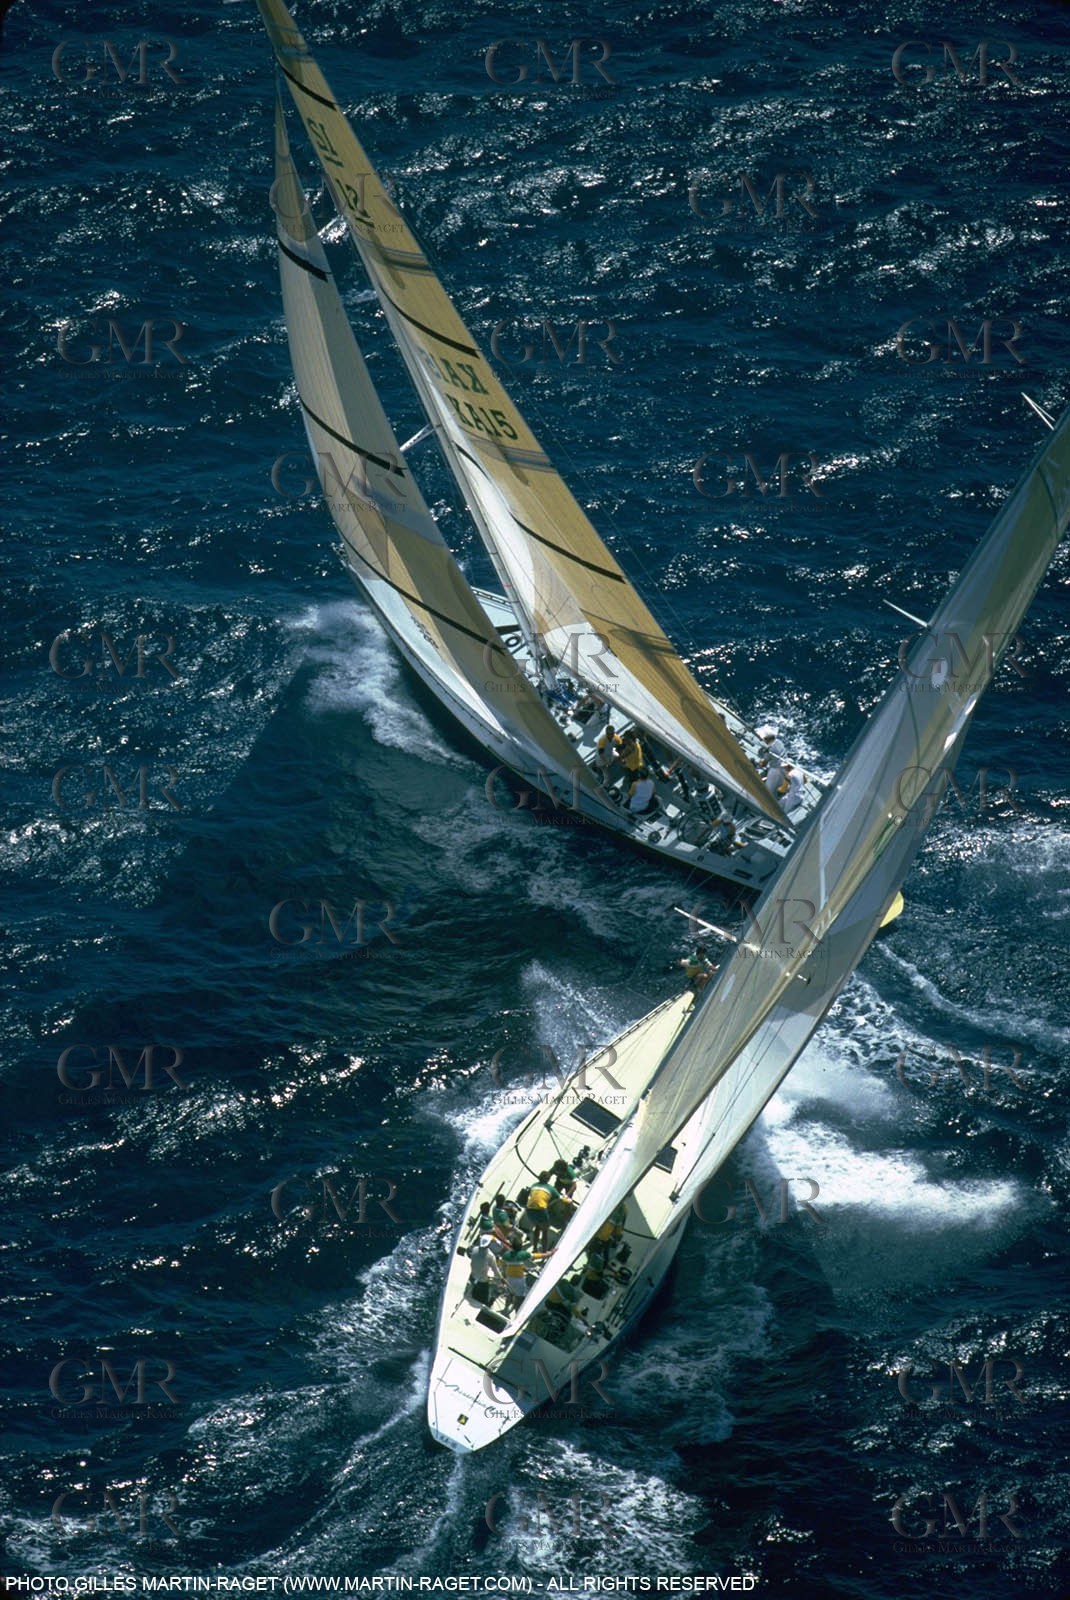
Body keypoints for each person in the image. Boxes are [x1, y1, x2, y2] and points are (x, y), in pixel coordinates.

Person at [500, 1234, 551, 1300]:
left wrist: (503, 1277)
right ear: (521, 1246)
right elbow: (537, 1255)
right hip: (519, 1279)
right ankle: (518, 1308)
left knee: (510, 1293)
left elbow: (505, 1266)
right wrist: (549, 1254)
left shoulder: (506, 1255)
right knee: (519, 1297)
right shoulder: (523, 1254)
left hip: (509, 1277)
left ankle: (507, 1306)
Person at [521, 1172, 559, 1249]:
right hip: (541, 1210)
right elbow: (558, 1197)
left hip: (529, 1210)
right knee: (544, 1231)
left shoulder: (533, 1185)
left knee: (537, 1227)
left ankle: (534, 1248)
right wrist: (549, 1205)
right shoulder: (550, 1188)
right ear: (548, 1179)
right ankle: (544, 1251)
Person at [467, 1233, 504, 1305]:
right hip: (482, 1280)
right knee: (485, 1299)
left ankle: (474, 1293)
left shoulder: (474, 1249)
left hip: (473, 1276)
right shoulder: (490, 1256)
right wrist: (501, 1278)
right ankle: (489, 1300)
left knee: (476, 1288)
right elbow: (495, 1270)